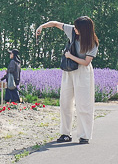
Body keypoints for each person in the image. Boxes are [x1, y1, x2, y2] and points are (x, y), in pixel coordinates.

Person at [36, 16, 99, 144]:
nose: (74, 29)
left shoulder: (92, 42)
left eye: (77, 28)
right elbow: (55, 23)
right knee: (65, 102)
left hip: (83, 72)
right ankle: (65, 133)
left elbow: (86, 62)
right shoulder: (72, 31)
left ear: (84, 30)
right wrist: (42, 26)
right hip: (69, 70)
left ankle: (84, 135)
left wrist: (70, 56)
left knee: (83, 104)